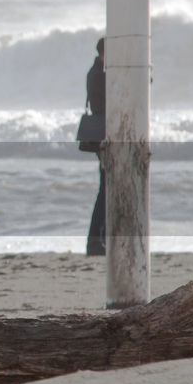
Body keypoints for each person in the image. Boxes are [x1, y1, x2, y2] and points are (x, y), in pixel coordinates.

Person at [86, 37, 106, 256]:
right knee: (106, 192)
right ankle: (95, 241)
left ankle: (98, 241)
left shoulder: (96, 72)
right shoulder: (100, 75)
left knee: (106, 190)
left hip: (104, 136)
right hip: (105, 137)